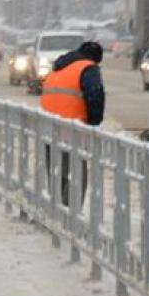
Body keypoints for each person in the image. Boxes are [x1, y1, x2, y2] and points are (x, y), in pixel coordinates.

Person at [40, 40, 105, 206]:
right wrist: (94, 122)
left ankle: (57, 211)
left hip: (50, 126)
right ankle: (71, 215)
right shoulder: (87, 68)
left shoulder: (59, 68)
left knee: (56, 173)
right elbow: (95, 96)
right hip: (72, 129)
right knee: (76, 174)